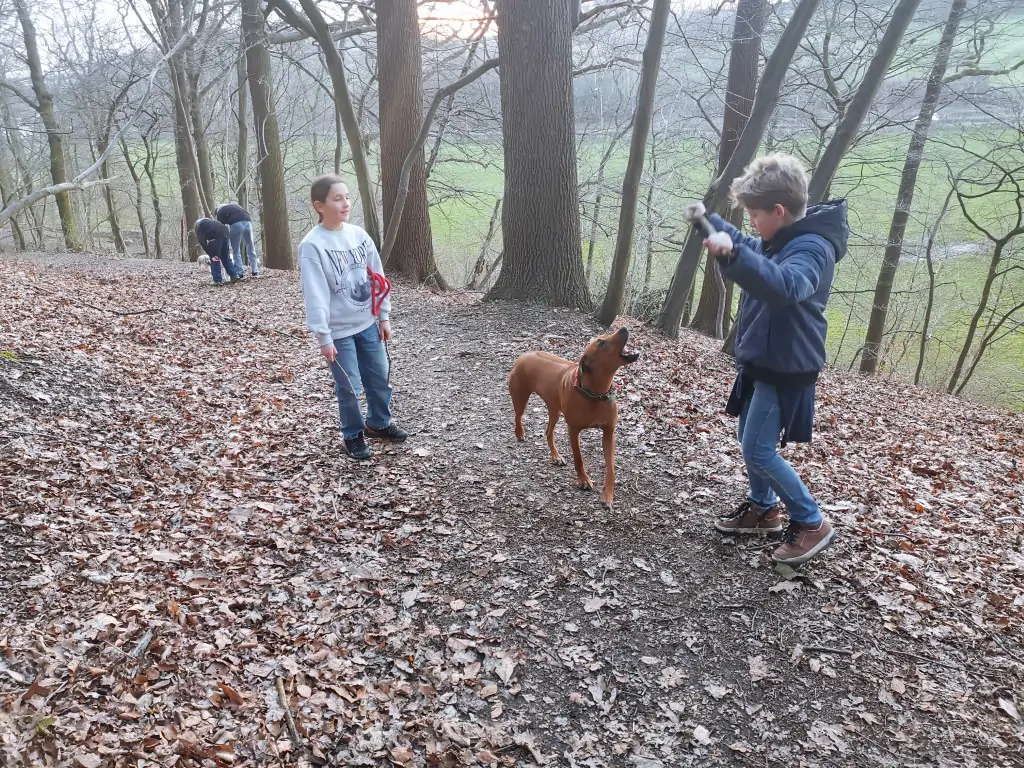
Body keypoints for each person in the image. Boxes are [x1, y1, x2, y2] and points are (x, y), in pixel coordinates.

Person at [690, 153, 848, 566]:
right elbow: (749, 247)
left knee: (759, 450)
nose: (752, 223)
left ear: (779, 211)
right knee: (750, 442)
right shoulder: (782, 237)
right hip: (765, 360)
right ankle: (762, 510)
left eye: (755, 214)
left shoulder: (812, 248)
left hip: (787, 367)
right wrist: (713, 225)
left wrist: (733, 257)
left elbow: (786, 286)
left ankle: (812, 522)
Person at [298, 173, 408, 460]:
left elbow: (377, 277)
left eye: (347, 197)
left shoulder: (359, 235)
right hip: (338, 331)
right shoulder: (312, 245)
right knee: (349, 386)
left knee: (379, 377)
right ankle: (352, 435)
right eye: (337, 198)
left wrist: (383, 317)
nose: (345, 203)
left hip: (368, 323)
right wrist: (324, 336)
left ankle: (379, 423)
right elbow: (315, 293)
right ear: (319, 205)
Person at [215, 202, 261, 277]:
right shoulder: (235, 206)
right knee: (250, 247)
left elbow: (220, 228)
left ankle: (240, 272)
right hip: (248, 222)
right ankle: (255, 271)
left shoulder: (220, 212)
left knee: (236, 250)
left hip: (236, 224)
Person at [195, 217, 245, 284]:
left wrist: (208, 251)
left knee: (215, 258)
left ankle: (217, 280)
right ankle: (234, 276)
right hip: (225, 235)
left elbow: (201, 240)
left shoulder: (200, 226)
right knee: (226, 257)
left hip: (216, 238)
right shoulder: (210, 222)